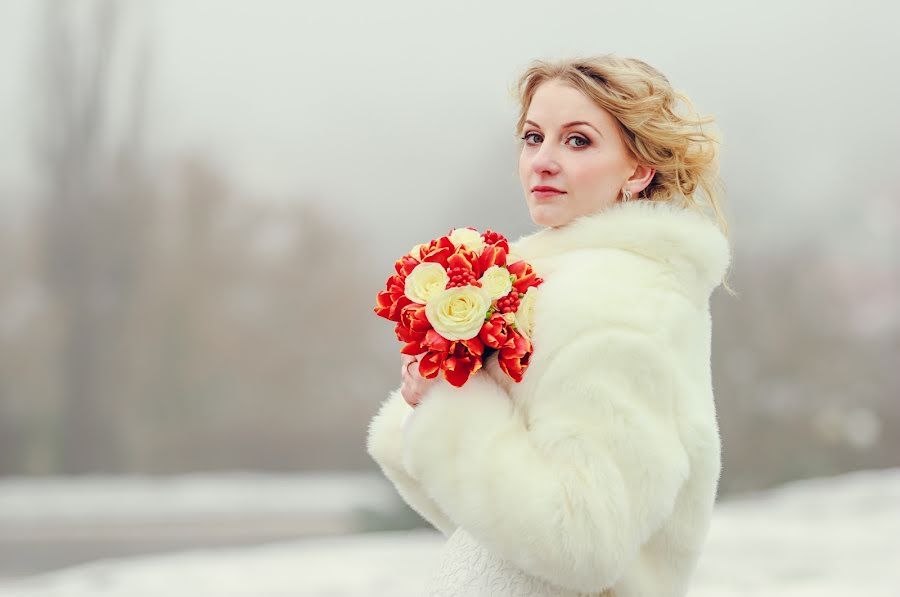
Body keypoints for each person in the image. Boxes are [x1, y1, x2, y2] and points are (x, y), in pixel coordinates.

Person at [366, 54, 733, 597]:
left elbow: (579, 543)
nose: (542, 160)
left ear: (637, 170)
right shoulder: (559, 282)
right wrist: (437, 395)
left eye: (578, 141)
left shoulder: (618, 302)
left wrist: (454, 402)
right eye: (534, 137)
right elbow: (498, 529)